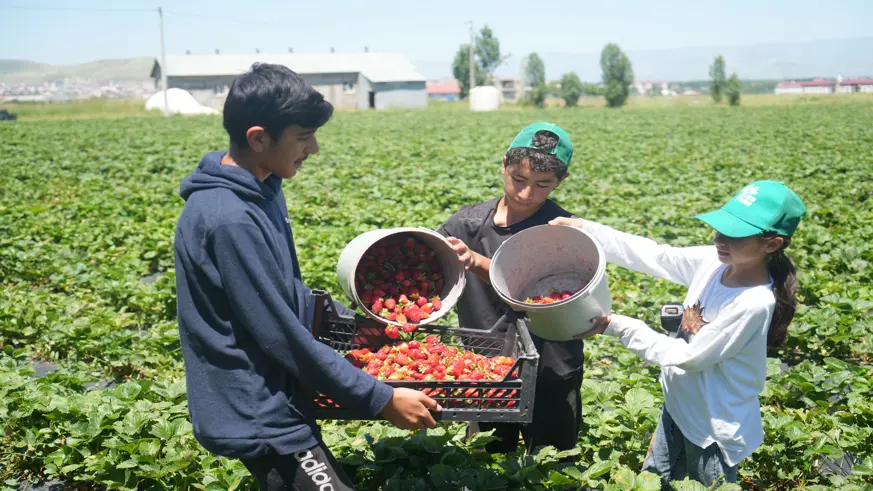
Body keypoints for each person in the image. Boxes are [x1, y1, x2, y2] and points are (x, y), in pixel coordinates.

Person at [173, 63, 440, 491]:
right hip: (259, 407)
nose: (313, 149)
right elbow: (279, 333)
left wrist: (349, 328)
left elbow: (284, 293)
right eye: (302, 137)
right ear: (258, 138)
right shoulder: (229, 219)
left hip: (277, 392)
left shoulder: (263, 188)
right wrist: (381, 399)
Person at [551, 180, 806, 488]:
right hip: (678, 406)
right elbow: (657, 256)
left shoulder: (752, 302)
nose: (720, 239)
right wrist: (587, 228)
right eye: (719, 229)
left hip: (711, 429)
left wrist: (619, 326)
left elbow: (690, 358)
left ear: (772, 244)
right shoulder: (714, 262)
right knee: (651, 483)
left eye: (734, 235)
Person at [437, 122, 584, 456]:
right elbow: (429, 277)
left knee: (552, 462)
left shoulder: (563, 231)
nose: (526, 193)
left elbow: (530, 289)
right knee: (484, 461)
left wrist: (476, 262)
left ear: (561, 181)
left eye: (542, 185)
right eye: (518, 179)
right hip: (485, 364)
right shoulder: (465, 225)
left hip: (552, 367)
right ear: (504, 164)